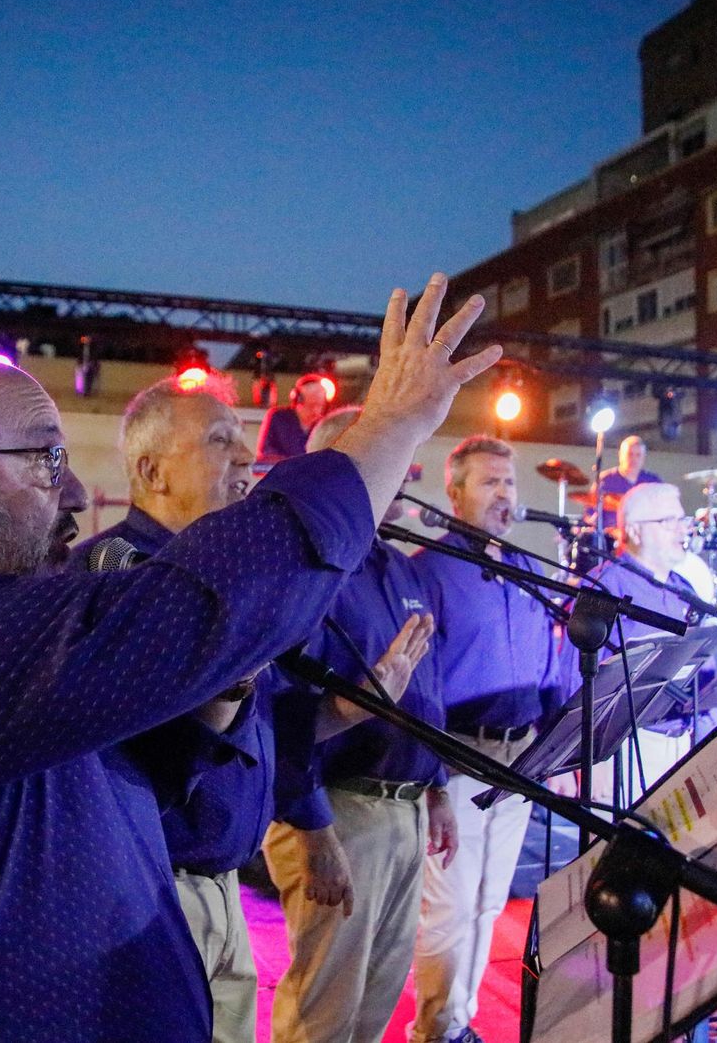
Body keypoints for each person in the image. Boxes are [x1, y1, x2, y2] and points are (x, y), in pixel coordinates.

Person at [0, 273, 503, 1041]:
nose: (77, 492)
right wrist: (390, 424)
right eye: (45, 461)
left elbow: (130, 773)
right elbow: (198, 605)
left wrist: (220, 680)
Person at [75, 380, 431, 1043]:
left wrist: (356, 706)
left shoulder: (220, 578)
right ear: (151, 472)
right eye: (219, 440)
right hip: (152, 897)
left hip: (219, 889)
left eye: (242, 437)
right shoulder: (121, 577)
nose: (248, 456)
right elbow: (151, 754)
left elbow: (263, 728)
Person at [264, 406, 456, 1043]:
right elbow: (277, 713)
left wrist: (437, 788)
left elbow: (422, 688)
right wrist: (314, 835)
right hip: (340, 813)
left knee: (374, 1001)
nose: (402, 472)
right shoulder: (309, 565)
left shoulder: (398, 566)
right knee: (325, 1008)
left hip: (403, 811)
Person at [410, 435, 559, 1043]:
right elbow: (418, 683)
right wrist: (430, 778)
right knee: (447, 908)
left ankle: (460, 1020)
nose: (504, 493)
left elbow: (552, 665)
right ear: (454, 493)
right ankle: (437, 1030)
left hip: (521, 760)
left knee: (489, 903)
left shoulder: (525, 569)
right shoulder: (430, 571)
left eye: (509, 482)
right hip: (459, 761)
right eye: (489, 482)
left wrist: (556, 743)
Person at [564, 482, 700, 799]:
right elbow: (574, 676)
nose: (682, 530)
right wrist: (587, 759)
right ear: (636, 532)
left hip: (679, 743)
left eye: (683, 520)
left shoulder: (684, 588)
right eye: (670, 522)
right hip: (625, 746)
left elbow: (701, 669)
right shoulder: (606, 585)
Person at [586, 434, 660, 533]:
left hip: (645, 540)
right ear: (620, 455)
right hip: (610, 540)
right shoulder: (605, 480)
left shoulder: (654, 482)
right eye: (630, 454)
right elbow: (589, 514)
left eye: (638, 455)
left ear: (643, 457)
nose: (633, 459)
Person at [258, 373, 332, 463]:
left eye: (320, 406)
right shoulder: (278, 417)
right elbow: (266, 451)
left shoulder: (325, 425)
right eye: (311, 406)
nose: (316, 411)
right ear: (298, 400)